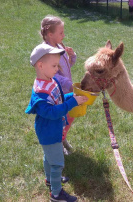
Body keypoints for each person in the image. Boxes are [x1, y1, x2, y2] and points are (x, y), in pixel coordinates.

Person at [25, 44, 88, 201]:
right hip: (49, 133)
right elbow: (52, 112)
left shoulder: (50, 80)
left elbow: (59, 100)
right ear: (40, 65)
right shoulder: (41, 93)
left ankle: (50, 180)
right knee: (57, 163)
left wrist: (72, 98)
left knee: (49, 158)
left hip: (54, 130)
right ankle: (56, 194)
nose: (57, 69)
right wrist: (72, 103)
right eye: (54, 65)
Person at [40, 15, 76, 155]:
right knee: (58, 120)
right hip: (54, 92)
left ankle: (62, 138)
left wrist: (72, 57)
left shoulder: (59, 46)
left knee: (68, 116)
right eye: (61, 33)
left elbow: (66, 66)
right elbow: (53, 76)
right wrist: (69, 84)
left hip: (64, 90)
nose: (64, 35)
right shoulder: (47, 52)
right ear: (50, 34)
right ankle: (57, 145)